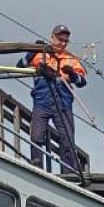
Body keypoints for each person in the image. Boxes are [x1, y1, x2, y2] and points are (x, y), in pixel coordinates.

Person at [19, 24, 87, 173]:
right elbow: (20, 67)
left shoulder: (71, 58)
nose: (62, 43)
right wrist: (30, 54)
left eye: (65, 41)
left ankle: (69, 172)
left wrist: (73, 75)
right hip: (42, 101)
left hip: (62, 104)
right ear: (52, 37)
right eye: (59, 39)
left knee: (67, 140)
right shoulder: (39, 53)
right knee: (36, 136)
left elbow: (82, 81)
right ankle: (36, 167)